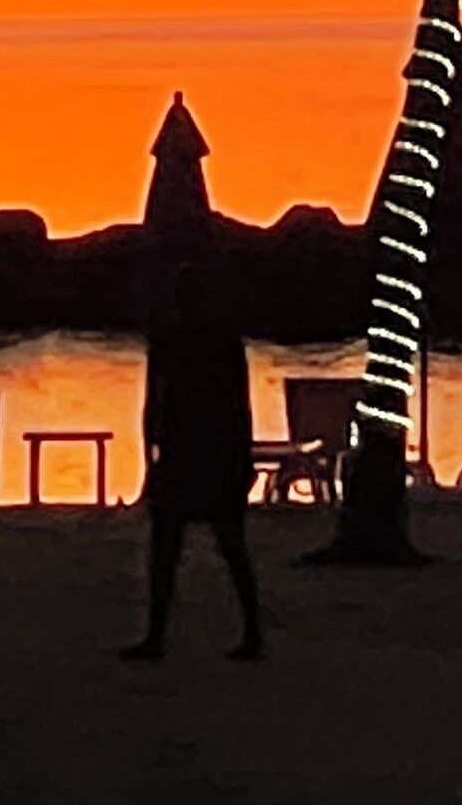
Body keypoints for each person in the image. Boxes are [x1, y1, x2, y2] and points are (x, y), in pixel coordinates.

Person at [122, 264, 263, 662]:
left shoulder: (190, 342)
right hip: (197, 451)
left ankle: (162, 635)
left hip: (201, 451)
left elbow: (158, 403)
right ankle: (164, 635)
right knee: (198, 545)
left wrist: (151, 454)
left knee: (195, 546)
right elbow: (158, 403)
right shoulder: (198, 342)